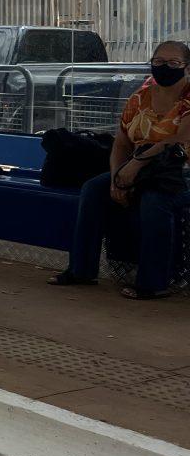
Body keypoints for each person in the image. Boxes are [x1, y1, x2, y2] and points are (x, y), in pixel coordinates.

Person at [51, 39, 190, 299]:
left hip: (180, 173)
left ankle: (154, 282)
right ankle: (82, 269)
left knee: (155, 200)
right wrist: (117, 178)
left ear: (186, 67)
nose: (164, 68)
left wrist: (134, 166)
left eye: (173, 63)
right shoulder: (140, 97)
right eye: (159, 62)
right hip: (140, 170)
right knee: (93, 189)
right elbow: (121, 143)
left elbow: (175, 141)